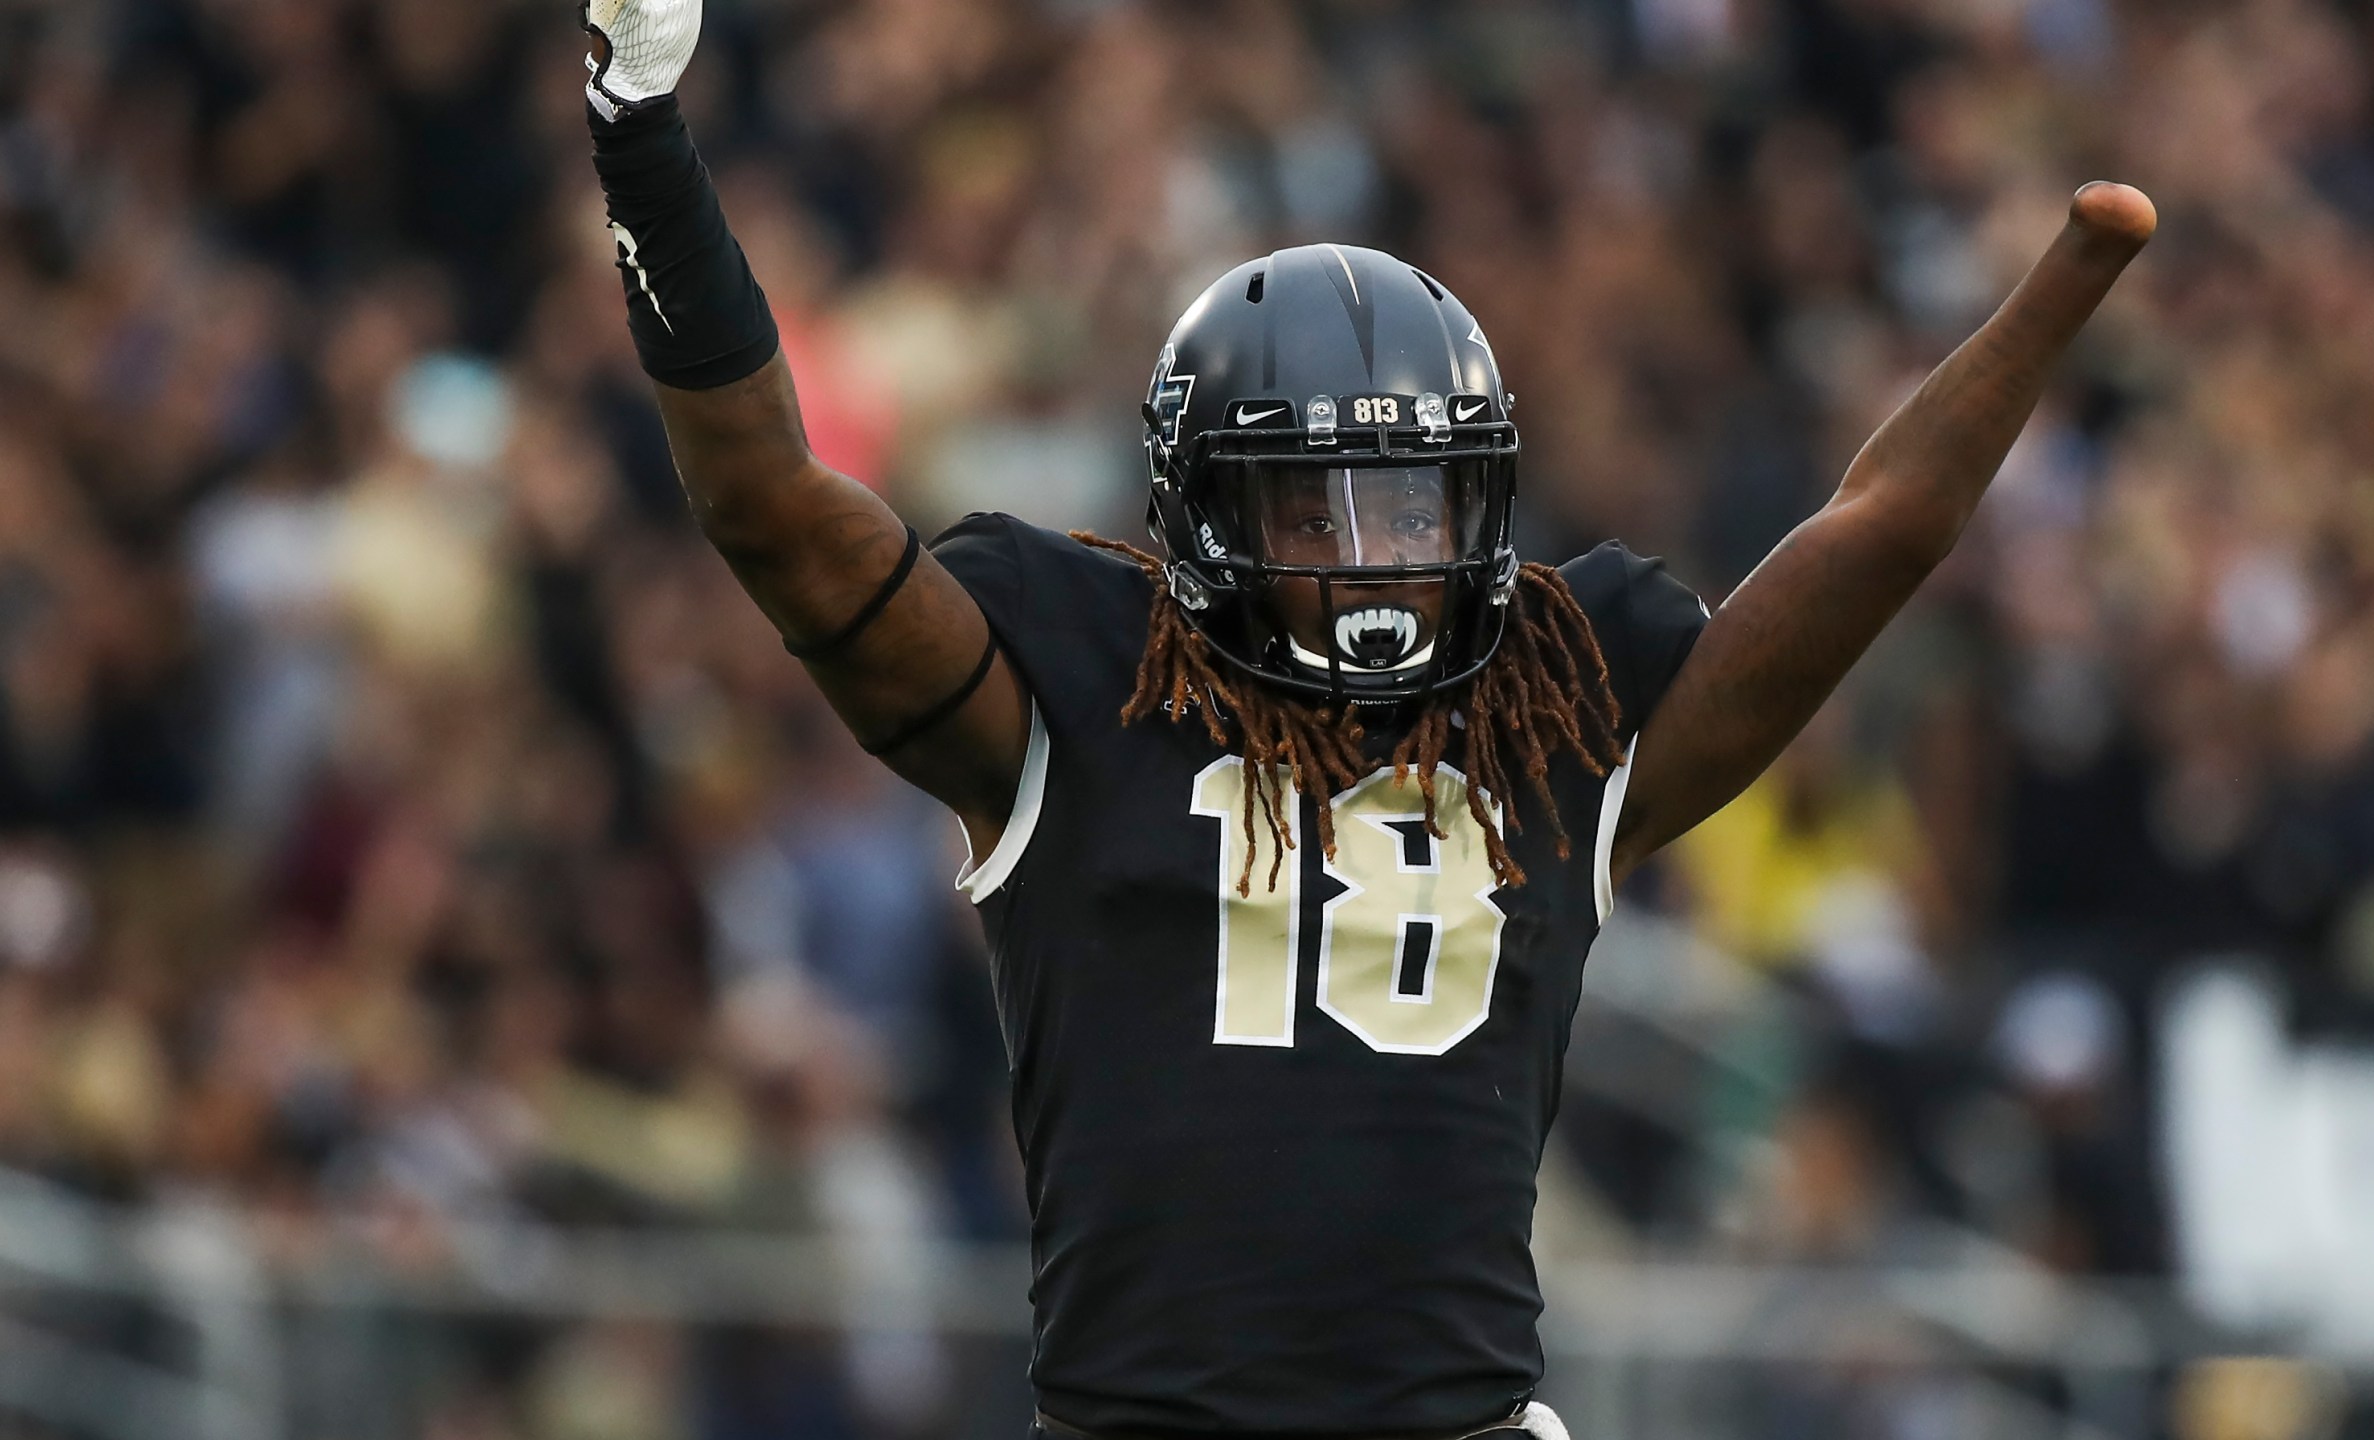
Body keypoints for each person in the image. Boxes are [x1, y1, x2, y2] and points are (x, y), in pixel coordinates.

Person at [576, 2, 2154, 1435]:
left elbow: (1873, 534)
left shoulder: (1555, 697)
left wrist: (2064, 279)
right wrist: (645, 147)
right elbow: (776, 508)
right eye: (1317, 512)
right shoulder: (1081, 677)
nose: (1378, 556)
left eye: (1414, 503)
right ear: (1196, 512)